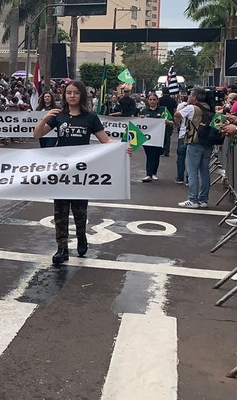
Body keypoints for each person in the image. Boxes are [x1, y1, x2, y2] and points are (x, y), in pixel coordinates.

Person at [33, 80, 121, 265]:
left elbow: (105, 140)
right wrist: (45, 118)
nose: (71, 96)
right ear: (64, 96)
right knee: (60, 211)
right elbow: (37, 135)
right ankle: (62, 248)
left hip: (81, 171)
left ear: (81, 95)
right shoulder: (58, 116)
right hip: (61, 170)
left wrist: (123, 147)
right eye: (68, 93)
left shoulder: (90, 118)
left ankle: (81, 237)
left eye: (75, 93)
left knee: (80, 210)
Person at [178, 87, 217, 209]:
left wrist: (184, 106)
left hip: (194, 142)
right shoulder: (211, 108)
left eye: (190, 95)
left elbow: (177, 114)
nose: (189, 97)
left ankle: (193, 199)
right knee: (204, 171)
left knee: (192, 171)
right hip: (208, 143)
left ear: (194, 96)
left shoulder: (191, 108)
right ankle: (203, 199)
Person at [140, 92, 173, 182]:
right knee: (150, 155)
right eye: (150, 100)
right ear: (148, 100)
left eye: (154, 99)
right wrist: (141, 119)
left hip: (160, 137)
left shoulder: (163, 110)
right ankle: (148, 174)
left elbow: (172, 122)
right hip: (148, 138)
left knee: (156, 155)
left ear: (157, 100)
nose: (152, 101)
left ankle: (154, 173)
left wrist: (168, 122)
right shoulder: (144, 111)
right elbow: (139, 124)